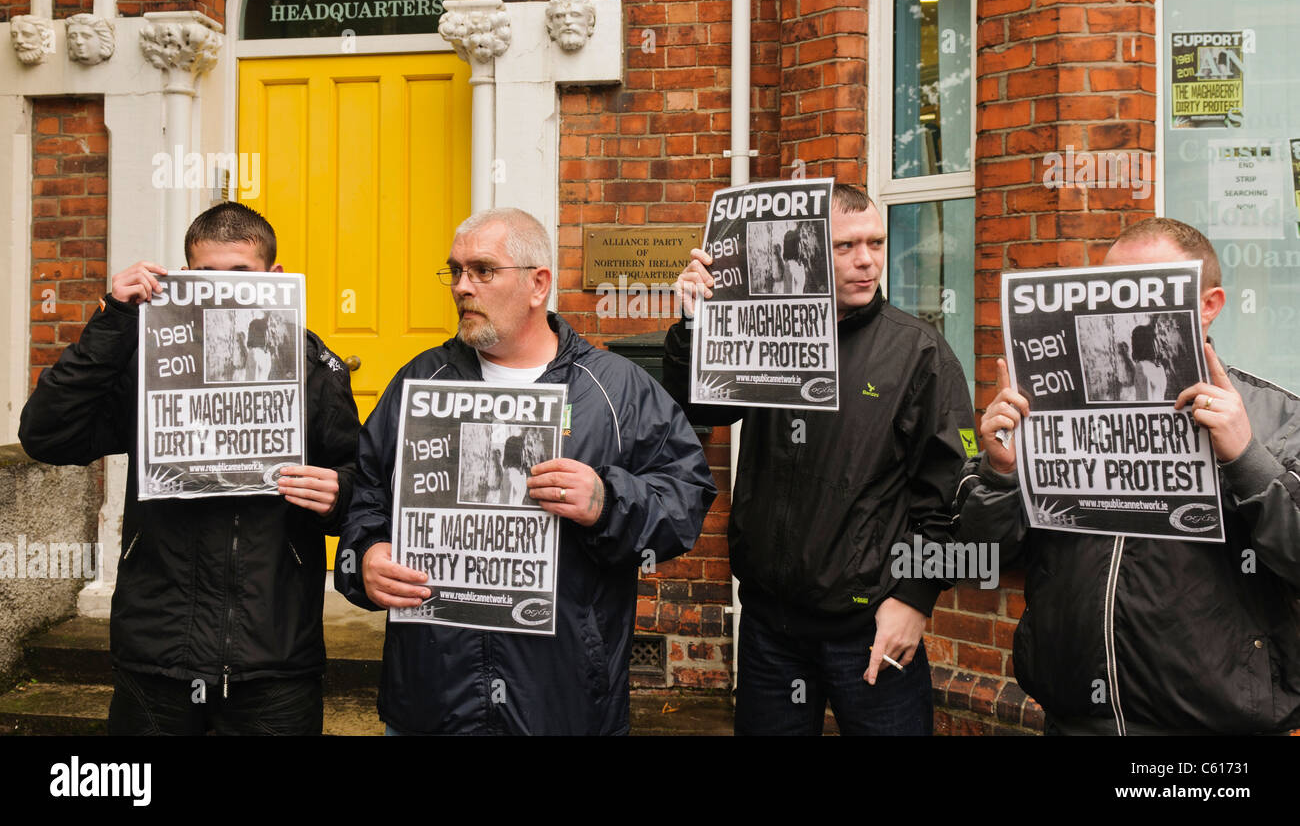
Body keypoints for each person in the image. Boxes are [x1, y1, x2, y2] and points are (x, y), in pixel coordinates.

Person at [335, 207, 715, 735]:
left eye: (483, 270)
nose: (462, 287)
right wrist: (366, 556)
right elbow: (368, 491)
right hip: (433, 702)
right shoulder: (421, 381)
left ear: (539, 284)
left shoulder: (616, 390)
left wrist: (607, 500)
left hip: (563, 704)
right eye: (456, 271)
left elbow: (685, 500)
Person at [18, 201, 360, 735]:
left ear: (274, 278)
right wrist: (114, 318)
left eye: (239, 275)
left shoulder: (317, 369)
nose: (222, 290)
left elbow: (360, 490)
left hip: (275, 659)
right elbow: (47, 435)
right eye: (205, 276)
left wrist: (339, 493)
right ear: (181, 279)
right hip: (158, 654)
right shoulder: (146, 361)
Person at [958, 217, 1300, 735]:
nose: (1125, 309)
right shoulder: (1041, 414)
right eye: (1109, 290)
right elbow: (979, 556)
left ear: (1209, 305)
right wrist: (1001, 475)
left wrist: (1246, 457)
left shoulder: (1278, 416)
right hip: (1071, 717)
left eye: (1150, 288)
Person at [663, 184, 976, 735]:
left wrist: (914, 597)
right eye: (845, 246)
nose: (866, 260)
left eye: (876, 243)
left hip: (871, 624)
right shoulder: (759, 335)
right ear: (808, 249)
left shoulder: (918, 352)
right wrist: (695, 326)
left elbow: (953, 491)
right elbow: (698, 406)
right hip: (769, 626)